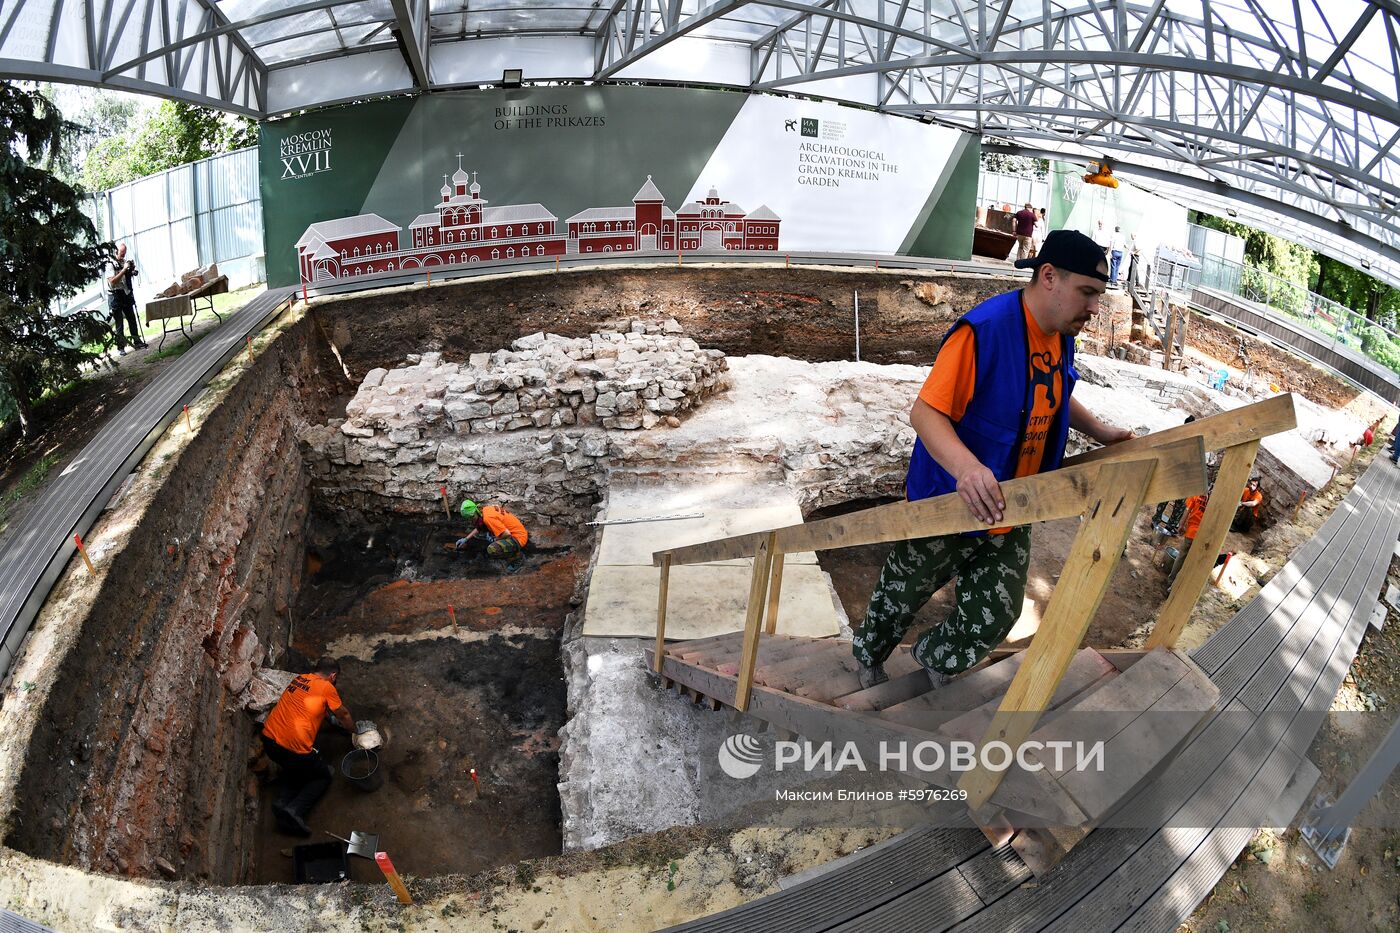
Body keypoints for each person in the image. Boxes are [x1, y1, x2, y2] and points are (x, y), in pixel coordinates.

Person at [852, 230, 1133, 689]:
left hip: (1013, 502)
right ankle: (867, 655)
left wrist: (1100, 431)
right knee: (903, 592)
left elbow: (1055, 392)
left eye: (1099, 295)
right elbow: (925, 412)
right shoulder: (984, 332)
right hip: (949, 500)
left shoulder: (1060, 333)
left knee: (997, 611)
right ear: (1048, 277)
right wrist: (967, 469)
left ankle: (934, 657)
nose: (1095, 308)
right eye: (1087, 292)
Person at [261, 656, 353, 837]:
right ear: (333, 676)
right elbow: (343, 714)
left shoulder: (300, 679)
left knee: (295, 768)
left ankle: (283, 800)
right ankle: (295, 810)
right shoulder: (327, 687)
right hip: (295, 751)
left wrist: (329, 720)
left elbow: (316, 706)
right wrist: (353, 731)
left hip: (269, 741)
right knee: (323, 775)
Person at [454, 499, 528, 571]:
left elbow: (507, 534)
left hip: (518, 538)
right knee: (482, 534)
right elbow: (480, 527)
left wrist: (494, 540)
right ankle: (509, 548)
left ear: (475, 512)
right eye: (468, 519)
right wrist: (466, 539)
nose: (471, 520)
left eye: (472, 517)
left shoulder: (488, 518)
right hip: (513, 531)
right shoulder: (484, 510)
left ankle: (517, 558)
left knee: (492, 549)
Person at [105, 242, 148, 354]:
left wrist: (132, 271)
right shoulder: (110, 264)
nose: (123, 256)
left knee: (132, 318)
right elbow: (113, 281)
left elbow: (128, 275)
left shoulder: (124, 262)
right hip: (115, 295)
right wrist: (124, 270)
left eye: (124, 253)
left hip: (126, 293)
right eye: (121, 253)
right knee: (119, 323)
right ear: (116, 251)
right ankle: (121, 347)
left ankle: (137, 341)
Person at [1167, 494, 1208, 587]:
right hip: (1203, 536)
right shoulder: (1215, 501)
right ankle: (1180, 585)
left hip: (1192, 532)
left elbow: (1187, 510)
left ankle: (1171, 581)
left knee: (1181, 557)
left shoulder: (1197, 494)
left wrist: (1181, 525)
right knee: (1192, 561)